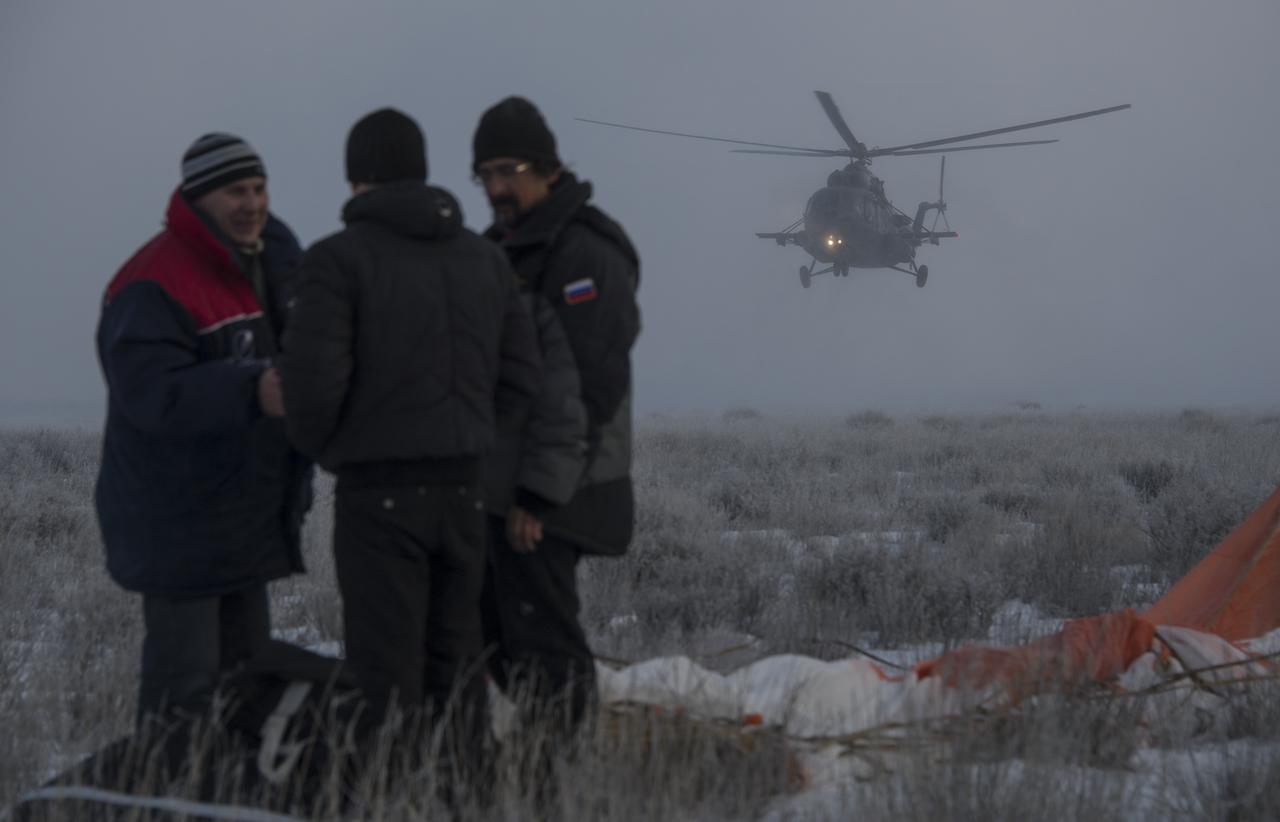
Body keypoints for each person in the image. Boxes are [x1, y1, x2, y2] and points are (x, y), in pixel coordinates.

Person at [279, 108, 540, 757]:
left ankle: (392, 802)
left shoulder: (335, 262)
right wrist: (473, 439)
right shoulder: (484, 260)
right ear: (422, 172)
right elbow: (522, 378)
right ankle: (469, 802)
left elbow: (308, 395)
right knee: (459, 680)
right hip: (463, 498)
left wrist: (344, 454)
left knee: (385, 683)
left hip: (378, 503)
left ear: (357, 179)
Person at [95, 133, 311, 728]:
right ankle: (163, 797)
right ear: (197, 199)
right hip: (178, 524)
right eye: (234, 191)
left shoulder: (271, 266)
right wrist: (251, 388)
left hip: (246, 517)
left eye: (259, 188)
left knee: (248, 683)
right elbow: (151, 395)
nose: (252, 203)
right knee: (181, 699)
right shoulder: (152, 281)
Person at [471, 96, 641, 737]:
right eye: (484, 174)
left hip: (560, 484)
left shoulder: (585, 252)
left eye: (508, 169)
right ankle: (550, 758)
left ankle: (562, 780)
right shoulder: (503, 248)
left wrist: (540, 494)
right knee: (498, 632)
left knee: (545, 641)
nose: (496, 187)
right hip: (510, 483)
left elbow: (592, 384)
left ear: (546, 166)